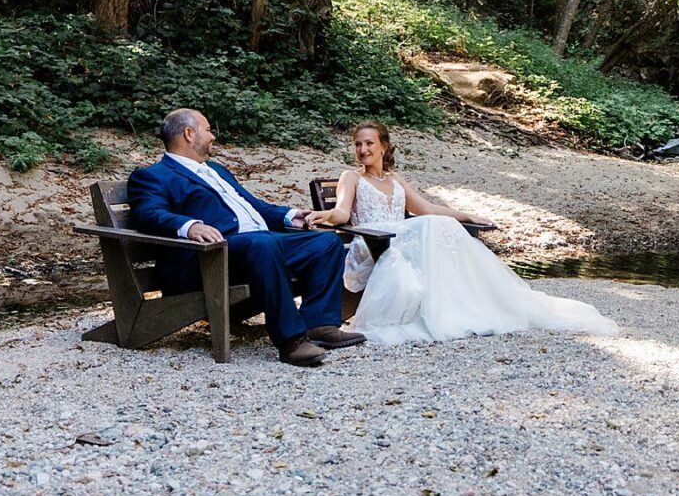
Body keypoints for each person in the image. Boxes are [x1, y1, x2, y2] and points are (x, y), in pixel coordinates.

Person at [305, 122, 617, 343]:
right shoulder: (351, 177)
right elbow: (343, 213)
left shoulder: (395, 179)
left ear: (384, 146)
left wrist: (466, 215)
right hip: (371, 239)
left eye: (369, 143)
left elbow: (426, 208)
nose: (363, 149)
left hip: (401, 235)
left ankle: (462, 305)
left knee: (439, 223)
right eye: (358, 144)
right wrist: (325, 215)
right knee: (430, 228)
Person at [128, 108, 364, 367]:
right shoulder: (153, 176)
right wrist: (189, 225)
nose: (213, 136)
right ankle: (291, 341)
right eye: (208, 130)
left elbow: (253, 205)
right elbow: (148, 213)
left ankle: (319, 325)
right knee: (262, 243)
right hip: (209, 259)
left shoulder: (216, 170)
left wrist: (291, 215)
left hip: (257, 247)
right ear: (188, 134)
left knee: (325, 243)